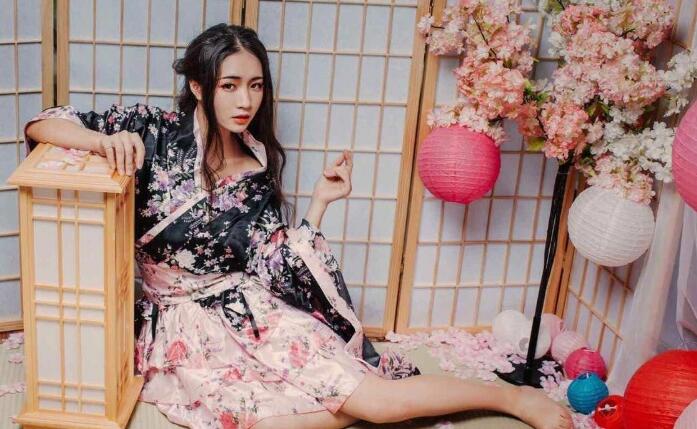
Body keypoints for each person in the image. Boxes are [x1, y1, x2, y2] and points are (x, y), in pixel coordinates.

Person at [24, 23, 572, 429]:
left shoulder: (257, 166)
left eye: (256, 86)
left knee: (374, 402)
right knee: (268, 421)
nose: (245, 101)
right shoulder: (153, 130)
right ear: (198, 86)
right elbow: (43, 123)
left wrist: (318, 204)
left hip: (248, 308)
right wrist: (102, 142)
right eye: (230, 85)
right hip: (178, 322)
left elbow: (274, 263)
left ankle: (509, 397)